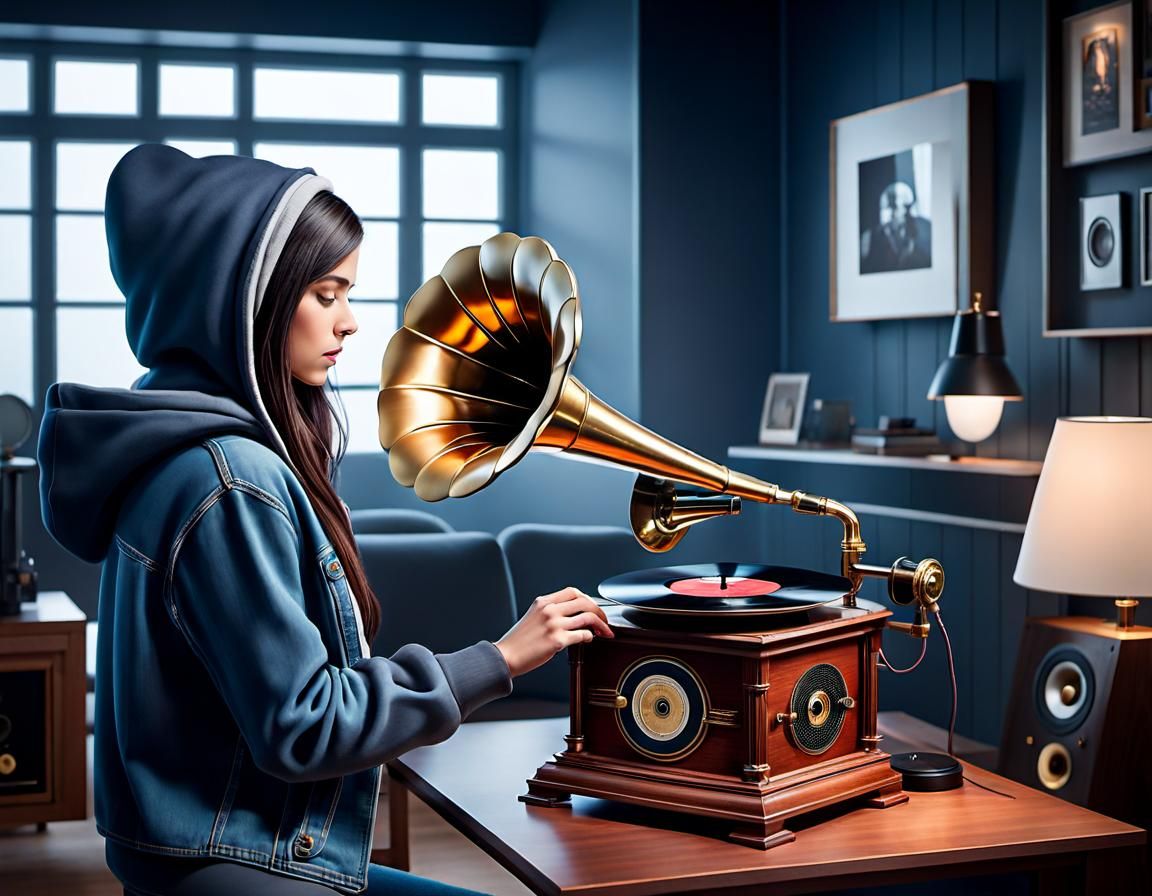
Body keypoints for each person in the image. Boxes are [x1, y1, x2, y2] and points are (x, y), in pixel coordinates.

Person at [37, 144, 613, 896]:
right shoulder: (230, 479)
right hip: (238, 867)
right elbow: (305, 725)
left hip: (200, 858)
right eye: (325, 293)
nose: (349, 322)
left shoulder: (172, 452)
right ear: (243, 299)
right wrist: (499, 659)